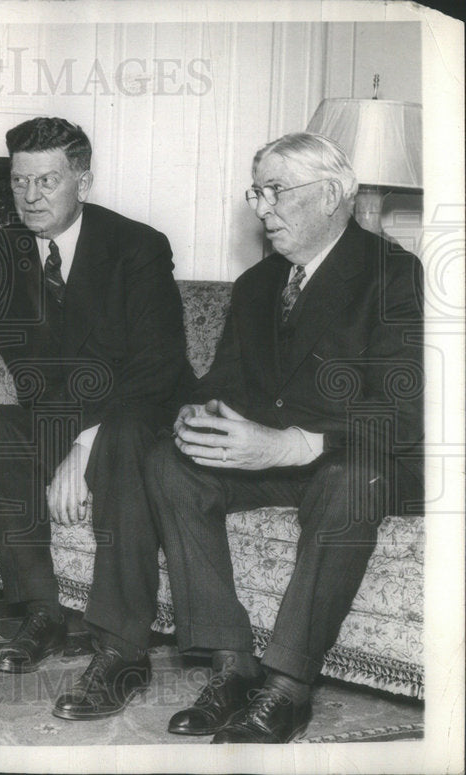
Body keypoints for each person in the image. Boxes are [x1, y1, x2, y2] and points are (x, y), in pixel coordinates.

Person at [145, 132, 424, 743]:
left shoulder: (395, 275)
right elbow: (223, 384)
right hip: (277, 458)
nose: (262, 208)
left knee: (347, 479)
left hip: (363, 460)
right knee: (172, 463)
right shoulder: (257, 285)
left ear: (330, 195)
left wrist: (297, 444)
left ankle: (288, 690)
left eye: (276, 191)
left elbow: (405, 414)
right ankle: (230, 665)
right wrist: (199, 416)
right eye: (257, 192)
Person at [0, 117, 194, 719]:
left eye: (47, 181)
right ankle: (42, 613)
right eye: (19, 182)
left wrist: (89, 444)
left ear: (83, 182)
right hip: (55, 419)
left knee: (118, 442)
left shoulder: (138, 247)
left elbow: (158, 368)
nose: (31, 197)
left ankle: (123, 652)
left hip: (136, 417)